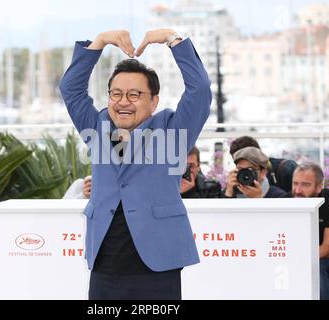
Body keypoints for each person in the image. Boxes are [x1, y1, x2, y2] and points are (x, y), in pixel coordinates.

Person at [59, 29, 212, 300]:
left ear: (153, 101)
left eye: (134, 95)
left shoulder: (173, 132)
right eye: (116, 94)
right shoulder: (96, 126)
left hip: (157, 264)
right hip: (104, 263)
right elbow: (70, 89)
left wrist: (172, 39)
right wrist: (100, 42)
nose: (123, 102)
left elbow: (199, 91)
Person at [287, 163, 329, 300]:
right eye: (295, 183)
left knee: (317, 268)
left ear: (318, 187)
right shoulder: (284, 201)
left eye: (305, 185)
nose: (298, 190)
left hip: (320, 258)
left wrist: (300, 258)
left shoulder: (326, 202)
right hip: (289, 256)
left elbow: (326, 248)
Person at [229, 136, 297, 193]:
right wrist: (228, 191)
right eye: (240, 167)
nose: (245, 172)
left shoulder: (287, 168)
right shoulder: (238, 181)